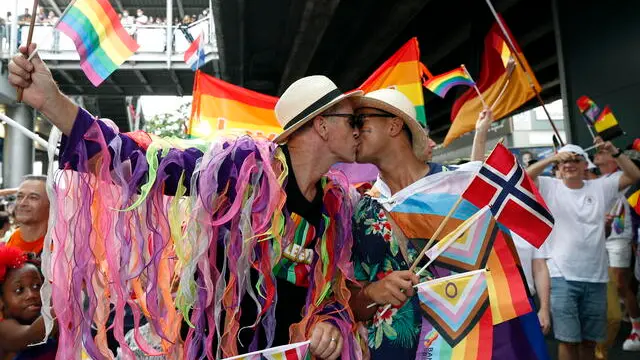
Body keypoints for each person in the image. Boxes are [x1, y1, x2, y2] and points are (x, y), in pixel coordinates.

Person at [9, 43, 363, 359]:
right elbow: (145, 164)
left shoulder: (338, 206)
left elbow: (336, 291)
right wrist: (51, 101)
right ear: (322, 125)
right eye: (353, 119)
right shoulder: (244, 169)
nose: (358, 129)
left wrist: (329, 322)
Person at [348, 89, 546, 359]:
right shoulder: (363, 210)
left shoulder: (465, 186)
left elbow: (504, 278)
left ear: (394, 124)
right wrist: (373, 292)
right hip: (397, 349)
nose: (353, 131)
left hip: (476, 346)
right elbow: (352, 302)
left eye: (359, 120)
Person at [527, 142, 640, 360]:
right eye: (564, 161)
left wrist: (615, 152)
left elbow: (634, 176)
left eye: (575, 160)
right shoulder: (550, 186)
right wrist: (552, 158)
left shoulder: (600, 187)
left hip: (596, 278)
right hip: (561, 277)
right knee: (568, 341)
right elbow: (525, 176)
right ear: (558, 168)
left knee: (590, 342)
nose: (569, 164)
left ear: (584, 165)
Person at [593, 146, 640, 354]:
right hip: (597, 237)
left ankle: (636, 328)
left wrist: (615, 151)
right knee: (608, 284)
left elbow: (634, 174)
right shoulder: (596, 180)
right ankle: (620, 317)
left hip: (619, 236)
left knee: (621, 283)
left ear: (612, 159)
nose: (597, 154)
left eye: (601, 152)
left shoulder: (620, 175)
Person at [0, 244, 57, 359]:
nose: (31, 295)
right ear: (1, 301)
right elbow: (32, 334)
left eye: (37, 286)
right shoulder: (4, 329)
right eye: (19, 290)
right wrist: (64, 302)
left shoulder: (43, 316)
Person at [6, 176, 49, 257]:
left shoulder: (58, 246)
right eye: (19, 197)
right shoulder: (15, 237)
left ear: (51, 205)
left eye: (33, 198)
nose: (22, 203)